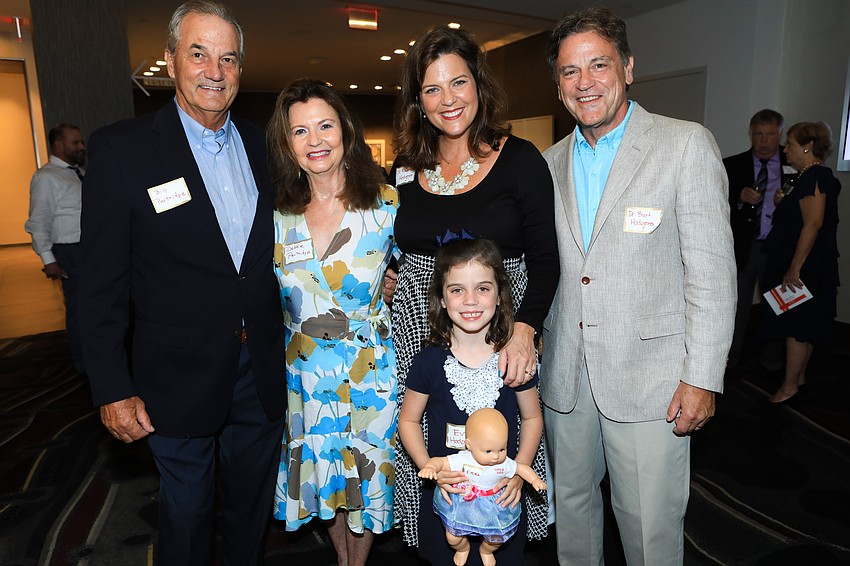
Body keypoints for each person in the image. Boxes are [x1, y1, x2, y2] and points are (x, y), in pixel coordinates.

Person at [78, 2, 286, 563]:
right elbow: (98, 284)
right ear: (170, 61)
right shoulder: (123, 150)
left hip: (260, 373)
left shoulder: (266, 146)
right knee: (187, 516)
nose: (214, 70)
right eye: (198, 53)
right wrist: (112, 386)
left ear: (241, 69)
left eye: (228, 58)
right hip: (174, 377)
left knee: (250, 512)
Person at [540, 6, 736, 564]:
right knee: (572, 515)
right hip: (566, 378)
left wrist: (702, 377)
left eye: (597, 65)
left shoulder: (684, 145)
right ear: (558, 87)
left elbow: (713, 274)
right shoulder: (547, 165)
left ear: (627, 67)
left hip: (652, 382)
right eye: (569, 72)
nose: (585, 83)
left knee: (649, 528)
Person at [391, 24, 558, 551]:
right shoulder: (405, 167)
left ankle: (497, 540)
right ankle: (441, 543)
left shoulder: (521, 158)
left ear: (479, 87)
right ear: (418, 100)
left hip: (500, 326)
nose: (448, 100)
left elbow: (547, 258)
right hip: (419, 324)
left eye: (458, 83)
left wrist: (524, 329)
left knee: (500, 439)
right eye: (432, 89)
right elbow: (397, 242)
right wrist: (393, 272)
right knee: (429, 436)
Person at [267, 78, 399, 566]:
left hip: (370, 371)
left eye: (325, 125)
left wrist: (392, 282)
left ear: (345, 129)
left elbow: (422, 272)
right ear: (288, 143)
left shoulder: (387, 202)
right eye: (300, 131)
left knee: (365, 480)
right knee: (328, 483)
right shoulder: (277, 214)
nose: (315, 140)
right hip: (305, 377)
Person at [398, 238, 545, 566]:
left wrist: (519, 472)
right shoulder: (427, 362)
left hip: (501, 499)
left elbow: (533, 419)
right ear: (441, 298)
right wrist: (428, 466)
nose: (470, 300)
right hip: (448, 497)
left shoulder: (515, 360)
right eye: (457, 290)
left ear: (499, 294)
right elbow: (408, 420)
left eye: (482, 288)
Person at [761, 121, 841, 404]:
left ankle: (789, 386)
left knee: (796, 327)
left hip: (805, 267)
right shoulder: (807, 177)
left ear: (808, 146)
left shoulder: (814, 177)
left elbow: (813, 224)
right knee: (804, 325)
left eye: (791, 143)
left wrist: (794, 267)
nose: (786, 149)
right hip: (810, 265)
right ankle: (799, 380)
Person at [418, 408, 547, 566]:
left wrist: (534, 479)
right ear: (469, 445)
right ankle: (462, 549)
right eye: (488, 451)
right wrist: (430, 467)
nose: (495, 456)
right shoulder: (463, 458)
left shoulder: (503, 463)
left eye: (502, 449)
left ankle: (486, 551)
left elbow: (521, 468)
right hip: (463, 501)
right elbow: (440, 461)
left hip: (493, 504)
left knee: (497, 538)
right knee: (453, 537)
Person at [724, 109, 795, 367]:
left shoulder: (794, 165)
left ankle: (772, 357)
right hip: (744, 245)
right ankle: (731, 356)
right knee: (737, 304)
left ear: (779, 134)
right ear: (751, 134)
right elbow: (714, 203)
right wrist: (738, 199)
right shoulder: (732, 165)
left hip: (777, 245)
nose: (764, 140)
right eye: (758, 134)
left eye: (769, 134)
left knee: (775, 302)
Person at [24, 123, 87, 374]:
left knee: (93, 306)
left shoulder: (75, 172)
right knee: (80, 310)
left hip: (87, 249)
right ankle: (84, 364)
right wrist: (48, 259)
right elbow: (38, 222)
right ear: (59, 145)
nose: (81, 146)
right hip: (70, 251)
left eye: (81, 142)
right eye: (75, 142)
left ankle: (95, 356)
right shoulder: (46, 177)